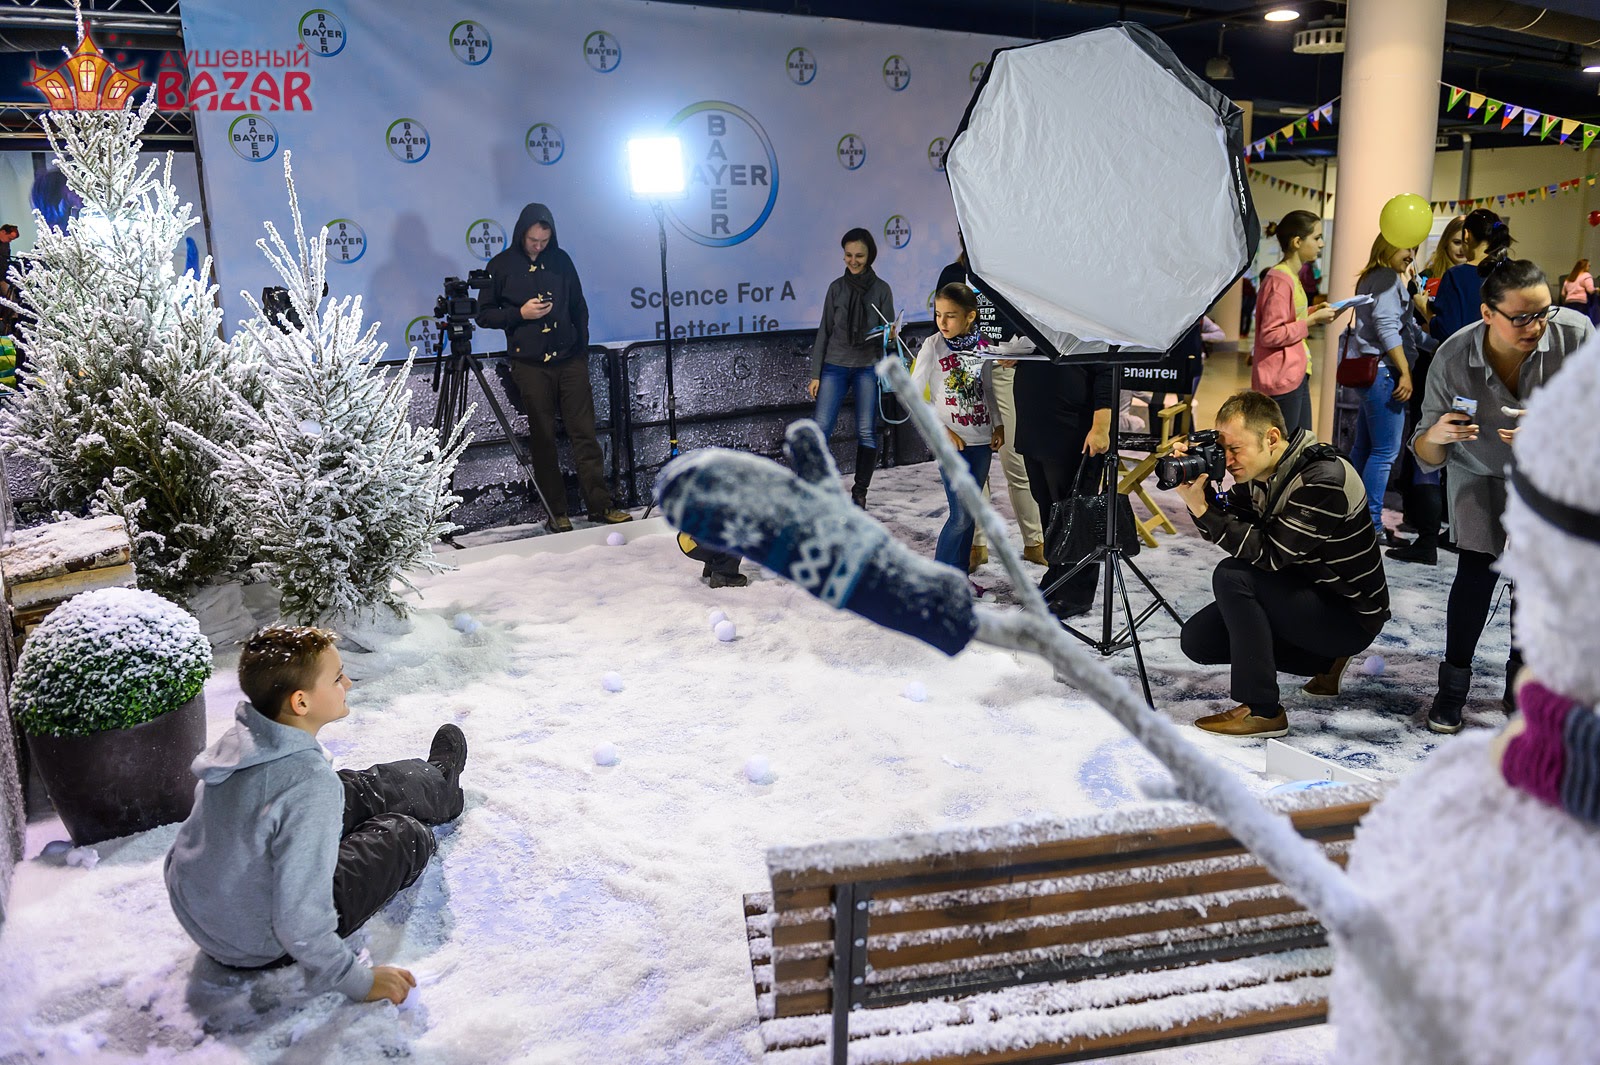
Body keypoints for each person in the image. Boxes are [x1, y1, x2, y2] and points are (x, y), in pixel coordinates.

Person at [165, 626, 468, 1006]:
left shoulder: (242, 747)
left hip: (216, 917)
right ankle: (429, 802)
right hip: (265, 942)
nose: (348, 683)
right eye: (338, 677)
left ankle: (439, 783)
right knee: (404, 834)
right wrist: (358, 981)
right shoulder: (309, 786)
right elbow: (300, 919)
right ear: (301, 702)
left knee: (351, 789)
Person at [1410, 256, 1593, 734]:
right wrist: (1439, 435)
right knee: (1476, 569)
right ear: (1488, 313)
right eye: (1522, 317)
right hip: (1478, 471)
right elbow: (1424, 451)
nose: (1536, 327)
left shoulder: (1576, 335)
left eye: (1543, 312)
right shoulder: (1453, 356)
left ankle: (1520, 687)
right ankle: (1452, 688)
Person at [1175, 390, 1390, 738]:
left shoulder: (1323, 479)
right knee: (1198, 641)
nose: (1227, 460)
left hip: (1349, 614)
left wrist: (1202, 509)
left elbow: (1269, 555)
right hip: (1306, 589)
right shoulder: (1261, 472)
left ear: (1272, 438)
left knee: (1232, 576)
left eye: (1235, 449)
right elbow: (1229, 522)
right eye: (1222, 450)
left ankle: (1263, 711)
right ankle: (1325, 661)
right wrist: (1199, 491)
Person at [478, 203, 632, 533]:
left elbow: (579, 307)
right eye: (533, 240)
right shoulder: (500, 265)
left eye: (544, 241)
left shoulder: (561, 261)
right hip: (529, 364)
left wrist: (580, 349)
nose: (538, 246)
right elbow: (484, 315)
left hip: (570, 359)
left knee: (585, 433)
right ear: (521, 234)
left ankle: (600, 505)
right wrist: (519, 313)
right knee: (543, 439)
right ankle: (556, 512)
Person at [937, 245, 1046, 570]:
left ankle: (1035, 541)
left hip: (1004, 368)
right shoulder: (953, 274)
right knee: (975, 463)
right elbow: (940, 324)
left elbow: (1030, 317)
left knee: (1015, 456)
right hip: (964, 371)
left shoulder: (1008, 269)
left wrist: (1022, 350)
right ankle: (976, 544)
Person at [1012, 350, 1113, 620]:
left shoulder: (1091, 328)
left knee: (1076, 512)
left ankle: (1076, 593)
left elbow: (1107, 368)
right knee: (1047, 506)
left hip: (1071, 430)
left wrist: (1101, 425)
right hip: (1035, 427)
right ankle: (1057, 575)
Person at [909, 283, 1002, 573]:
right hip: (951, 444)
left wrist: (998, 423)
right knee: (960, 516)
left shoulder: (984, 345)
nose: (942, 322)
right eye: (938, 314)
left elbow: (988, 388)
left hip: (982, 441)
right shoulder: (932, 345)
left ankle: (959, 577)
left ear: (970, 316)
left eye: (950, 315)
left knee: (970, 513)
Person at [810, 227, 894, 508]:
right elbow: (824, 331)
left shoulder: (881, 289)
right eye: (848, 255)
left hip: (867, 366)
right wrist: (815, 373)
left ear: (870, 256)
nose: (853, 261)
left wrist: (891, 336)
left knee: (866, 431)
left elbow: (888, 336)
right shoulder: (836, 288)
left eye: (859, 255)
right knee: (821, 429)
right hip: (834, 365)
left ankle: (860, 492)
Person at [1346, 233, 1421, 544]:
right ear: (1389, 244)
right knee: (1384, 452)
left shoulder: (1372, 276)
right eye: (1406, 247)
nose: (1411, 254)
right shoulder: (1388, 279)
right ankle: (1371, 525)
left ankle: (1351, 517)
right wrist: (1405, 372)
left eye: (1414, 248)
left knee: (1364, 448)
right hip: (1384, 373)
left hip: (1372, 373)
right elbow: (1387, 327)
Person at [1251, 211, 1341, 437]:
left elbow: (1289, 317)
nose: (1321, 244)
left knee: (1300, 443)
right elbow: (1270, 334)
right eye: (1316, 237)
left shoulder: (1291, 276)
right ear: (1297, 242)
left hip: (1295, 372)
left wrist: (1313, 311)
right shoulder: (1280, 279)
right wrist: (1311, 320)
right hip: (1281, 376)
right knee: (1285, 447)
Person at [1428, 208, 1505, 345]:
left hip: (1467, 356)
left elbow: (1448, 332)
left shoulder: (1456, 276)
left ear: (1467, 235)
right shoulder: (1513, 271)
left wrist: (1426, 312)